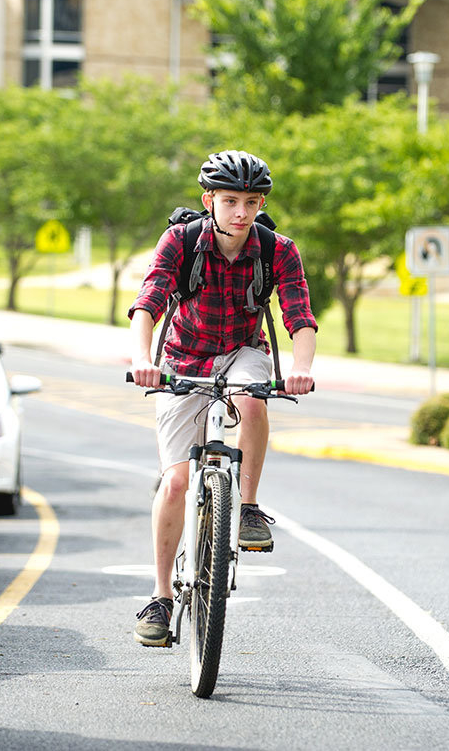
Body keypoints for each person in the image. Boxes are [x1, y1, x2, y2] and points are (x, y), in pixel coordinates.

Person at [127, 150, 317, 646]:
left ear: (261, 205)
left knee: (253, 399)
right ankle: (161, 596)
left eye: (251, 202)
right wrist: (142, 359)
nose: (241, 212)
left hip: (242, 351)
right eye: (230, 201)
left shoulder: (278, 250)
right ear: (209, 200)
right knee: (175, 484)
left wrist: (300, 369)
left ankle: (248, 506)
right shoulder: (181, 241)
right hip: (182, 359)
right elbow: (148, 303)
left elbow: (299, 315)